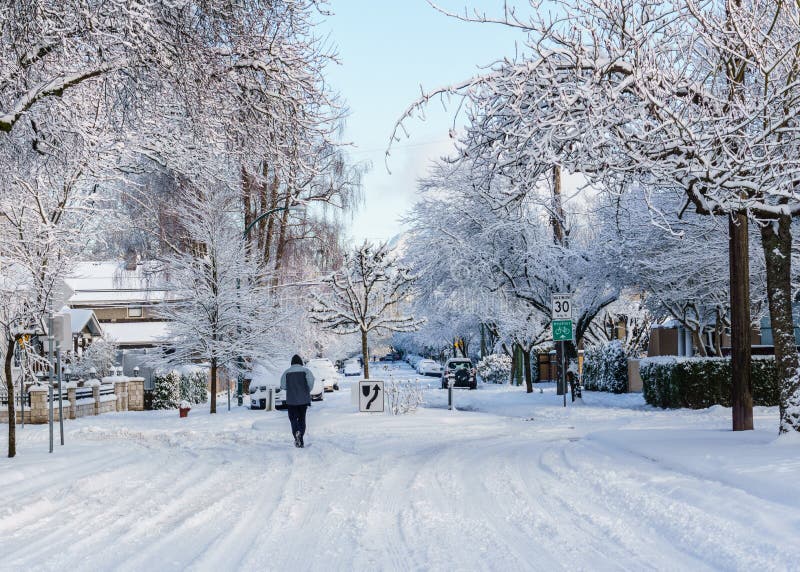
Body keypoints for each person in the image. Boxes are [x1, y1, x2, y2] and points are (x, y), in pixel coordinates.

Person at [280, 355, 315, 448]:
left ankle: (296, 433)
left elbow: (283, 385)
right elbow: (311, 381)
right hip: (304, 399)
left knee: (293, 419)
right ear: (301, 362)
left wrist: (291, 388)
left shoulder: (286, 372)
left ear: (292, 362)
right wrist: (307, 390)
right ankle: (300, 437)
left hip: (291, 400)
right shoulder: (306, 371)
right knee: (302, 418)